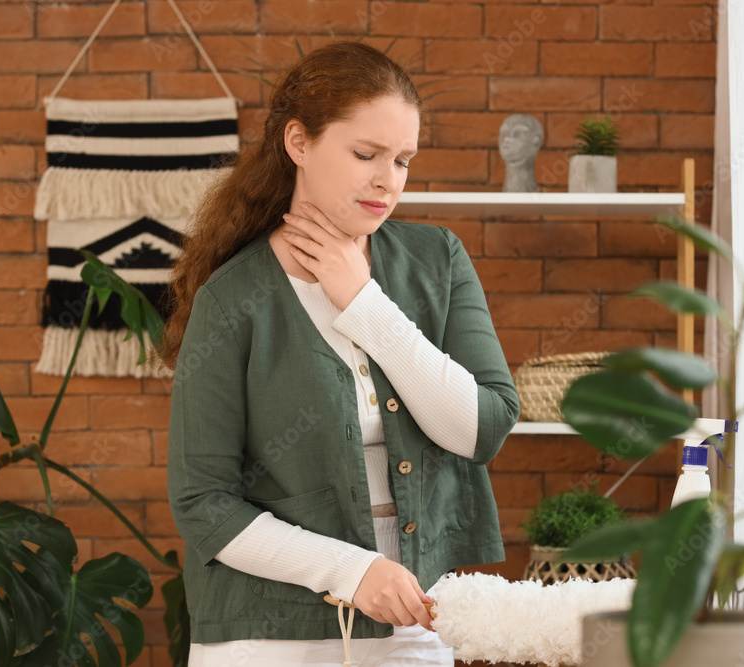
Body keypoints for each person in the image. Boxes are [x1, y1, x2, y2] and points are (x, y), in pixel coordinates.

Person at [160, 40, 519, 666]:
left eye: (404, 160)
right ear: (298, 143)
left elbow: (480, 430)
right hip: (264, 635)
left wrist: (365, 303)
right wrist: (352, 571)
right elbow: (203, 502)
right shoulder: (233, 299)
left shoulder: (439, 262)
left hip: (413, 623)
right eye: (366, 154)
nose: (389, 180)